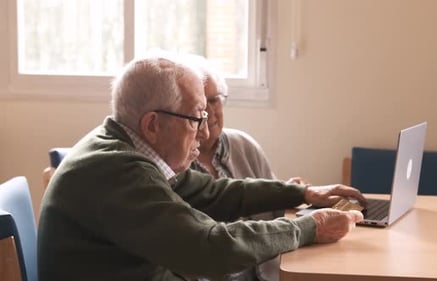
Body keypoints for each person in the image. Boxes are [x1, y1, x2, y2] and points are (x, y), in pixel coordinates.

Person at [37, 54, 366, 281]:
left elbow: (212, 191)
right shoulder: (116, 171)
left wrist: (301, 193)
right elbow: (210, 247)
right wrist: (309, 228)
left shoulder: (126, 149)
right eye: (196, 117)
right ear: (153, 125)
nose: (204, 130)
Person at [188, 55, 304, 281]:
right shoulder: (173, 164)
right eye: (200, 105)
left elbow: (274, 211)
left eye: (215, 100)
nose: (210, 112)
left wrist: (292, 195)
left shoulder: (244, 145)